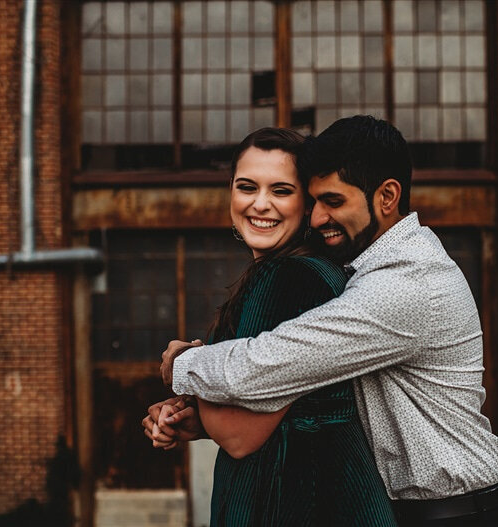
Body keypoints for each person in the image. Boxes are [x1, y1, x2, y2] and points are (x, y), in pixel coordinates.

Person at [154, 115, 498, 526]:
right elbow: (303, 396)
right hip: (429, 511)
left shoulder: (403, 287)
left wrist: (182, 362)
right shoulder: (363, 269)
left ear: (387, 197)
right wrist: (203, 416)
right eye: (313, 202)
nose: (317, 218)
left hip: (460, 515)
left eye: (333, 201)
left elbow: (265, 365)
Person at [143, 127, 397, 526]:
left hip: (297, 505)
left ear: (307, 203)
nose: (260, 204)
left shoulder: (290, 277)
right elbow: (278, 412)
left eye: (281, 191)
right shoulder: (303, 272)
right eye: (247, 187)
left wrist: (188, 365)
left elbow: (240, 436)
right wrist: (191, 414)